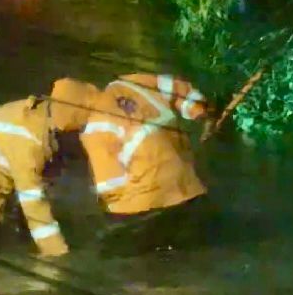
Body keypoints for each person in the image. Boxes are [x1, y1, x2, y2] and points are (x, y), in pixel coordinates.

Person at [0, 78, 99, 256]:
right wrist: (57, 255)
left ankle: (21, 235)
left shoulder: (46, 113)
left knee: (23, 221)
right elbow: (33, 203)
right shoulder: (28, 143)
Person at [78, 72, 214, 256]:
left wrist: (107, 211)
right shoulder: (131, 82)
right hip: (186, 185)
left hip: (147, 204)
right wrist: (199, 111)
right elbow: (176, 88)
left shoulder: (95, 128)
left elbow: (109, 186)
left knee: (115, 250)